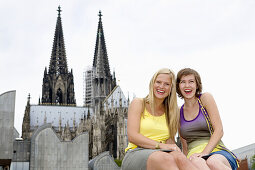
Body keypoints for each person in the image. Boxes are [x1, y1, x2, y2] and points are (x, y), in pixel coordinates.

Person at [122, 68, 206, 170]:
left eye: (166, 84)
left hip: (161, 153)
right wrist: (160, 146)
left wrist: (180, 153)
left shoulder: (171, 112)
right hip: (136, 153)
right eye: (158, 82)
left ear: (171, 88)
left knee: (180, 158)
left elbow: (170, 142)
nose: (161, 87)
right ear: (152, 83)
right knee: (166, 158)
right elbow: (132, 136)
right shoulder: (139, 103)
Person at [176, 68, 239, 170]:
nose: (187, 85)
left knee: (213, 162)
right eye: (183, 82)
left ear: (197, 85)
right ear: (178, 86)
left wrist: (204, 153)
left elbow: (219, 130)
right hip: (193, 156)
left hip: (216, 150)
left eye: (191, 81)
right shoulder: (178, 112)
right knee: (197, 162)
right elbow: (184, 146)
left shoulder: (205, 98)